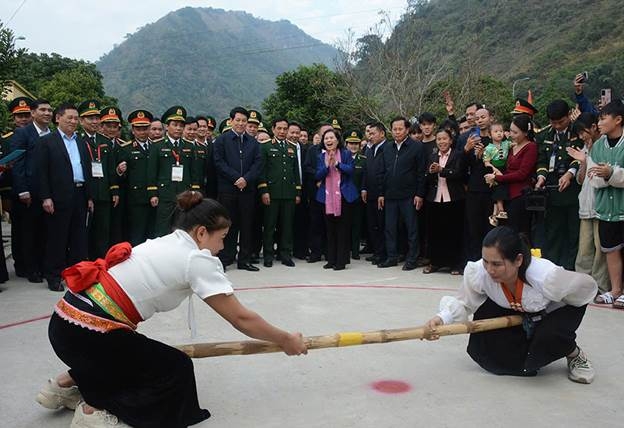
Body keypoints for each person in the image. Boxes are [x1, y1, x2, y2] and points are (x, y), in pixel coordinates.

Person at [36, 191, 306, 428]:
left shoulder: (167, 241)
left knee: (137, 355)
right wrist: (286, 340)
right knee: (173, 369)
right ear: (201, 232)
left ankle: (63, 385)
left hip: (64, 325)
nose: (223, 247)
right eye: (222, 238)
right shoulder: (196, 259)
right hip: (89, 336)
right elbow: (240, 317)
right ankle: (93, 411)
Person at [425, 226, 596, 384]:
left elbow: (584, 290)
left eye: (497, 264)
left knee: (548, 335)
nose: (489, 269)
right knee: (491, 339)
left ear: (518, 260)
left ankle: (573, 353)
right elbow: (465, 301)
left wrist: (547, 318)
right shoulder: (479, 272)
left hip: (555, 308)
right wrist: (441, 319)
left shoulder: (546, 277)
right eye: (486, 261)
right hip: (516, 309)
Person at [38, 103, 94, 292]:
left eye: (76, 118)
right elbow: (41, 172)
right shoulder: (48, 141)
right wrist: (46, 197)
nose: (73, 121)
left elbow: (86, 169)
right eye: (69, 117)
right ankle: (54, 276)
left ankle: (77, 276)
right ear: (58, 118)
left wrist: (89, 196)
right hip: (58, 196)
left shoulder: (80, 141)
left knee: (78, 238)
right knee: (57, 238)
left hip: (80, 193)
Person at [535, 100, 583, 270]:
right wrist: (541, 177)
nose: (557, 126)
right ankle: (553, 268)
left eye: (561, 122)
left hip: (573, 189)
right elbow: (541, 159)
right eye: (553, 122)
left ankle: (571, 268)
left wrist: (570, 174)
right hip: (553, 189)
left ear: (569, 115)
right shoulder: (545, 135)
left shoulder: (578, 130)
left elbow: (581, 156)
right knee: (553, 232)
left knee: (574, 233)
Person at [213, 107, 262, 271]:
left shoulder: (253, 142)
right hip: (228, 190)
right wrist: (236, 178)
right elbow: (219, 163)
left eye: (244, 121)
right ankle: (226, 258)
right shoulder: (222, 140)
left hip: (247, 191)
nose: (241, 123)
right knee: (228, 225)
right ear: (231, 121)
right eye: (238, 120)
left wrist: (245, 179)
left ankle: (244, 260)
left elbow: (257, 165)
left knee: (247, 225)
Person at [565, 113, 609, 294]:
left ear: (593, 126)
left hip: (602, 205)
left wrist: (588, 160)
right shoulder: (585, 147)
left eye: (584, 131)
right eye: (579, 133)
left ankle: (600, 286)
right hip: (586, 204)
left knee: (601, 250)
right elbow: (581, 180)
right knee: (584, 249)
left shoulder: (606, 144)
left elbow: (603, 175)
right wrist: (583, 162)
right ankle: (582, 286)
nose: (582, 136)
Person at [10, 99, 53, 283]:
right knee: (29, 233)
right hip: (30, 192)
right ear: (33, 113)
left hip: (48, 191)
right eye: (42, 110)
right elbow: (17, 164)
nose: (47, 113)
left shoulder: (52, 134)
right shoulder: (23, 133)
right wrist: (22, 190)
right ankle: (31, 269)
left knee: (46, 232)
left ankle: (44, 266)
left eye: (49, 110)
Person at [587, 100, 624, 308]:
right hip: (606, 209)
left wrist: (611, 173)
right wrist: (604, 176)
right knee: (611, 250)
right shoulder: (598, 145)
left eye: (603, 118)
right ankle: (615, 290)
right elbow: (593, 177)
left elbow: (608, 174)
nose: (599, 123)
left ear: (618, 120)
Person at [377, 117, 426, 271]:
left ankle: (412, 258)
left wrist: (420, 194)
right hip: (390, 195)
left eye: (400, 129)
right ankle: (392, 256)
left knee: (411, 229)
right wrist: (381, 193)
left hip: (409, 195)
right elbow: (382, 172)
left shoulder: (417, 147)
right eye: (394, 129)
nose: (397, 132)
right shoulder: (387, 148)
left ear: (407, 130)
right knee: (389, 228)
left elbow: (421, 173)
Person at [258, 118, 301, 267]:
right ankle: (268, 255)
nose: (282, 132)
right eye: (279, 129)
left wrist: (297, 192)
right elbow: (261, 171)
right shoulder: (265, 146)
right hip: (272, 193)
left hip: (289, 193)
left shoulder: (292, 147)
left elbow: (296, 171)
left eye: (285, 129)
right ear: (273, 129)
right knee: (270, 226)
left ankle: (285, 254)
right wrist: (264, 191)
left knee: (287, 226)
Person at [485, 114, 537, 238]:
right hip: (507, 194)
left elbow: (522, 174)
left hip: (520, 195)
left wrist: (497, 178)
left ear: (525, 133)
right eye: (510, 131)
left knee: (519, 232)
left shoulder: (531, 147)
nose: (511, 135)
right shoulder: (511, 146)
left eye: (515, 132)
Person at [423, 128, 466, 275]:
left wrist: (442, 170)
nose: (442, 142)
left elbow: (460, 174)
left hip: (453, 198)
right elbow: (427, 178)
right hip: (435, 198)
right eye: (439, 139)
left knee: (453, 231)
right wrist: (430, 172)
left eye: (444, 139)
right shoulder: (432, 156)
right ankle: (435, 262)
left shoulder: (458, 155)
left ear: (451, 141)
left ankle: (455, 264)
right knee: (435, 231)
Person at [315, 129, 358, 270]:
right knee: (330, 230)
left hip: (344, 197)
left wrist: (338, 164)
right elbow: (317, 175)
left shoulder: (345, 154)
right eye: (326, 138)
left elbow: (351, 170)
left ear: (337, 140)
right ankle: (331, 259)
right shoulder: (321, 156)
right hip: (327, 198)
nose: (328, 140)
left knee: (342, 230)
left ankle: (341, 261)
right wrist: (327, 166)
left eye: (331, 138)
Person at [116, 109, 157, 247]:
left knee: (152, 234)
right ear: (133, 130)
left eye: (145, 128)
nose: (142, 132)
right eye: (138, 129)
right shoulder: (125, 148)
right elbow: (120, 175)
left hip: (155, 196)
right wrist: (120, 171)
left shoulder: (156, 147)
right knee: (136, 234)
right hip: (135, 199)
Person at [361, 122, 387, 265]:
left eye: (373, 133)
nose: (370, 136)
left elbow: (385, 173)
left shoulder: (388, 148)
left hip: (381, 194)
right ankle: (376, 252)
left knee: (381, 224)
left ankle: (383, 254)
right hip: (369, 193)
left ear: (382, 133)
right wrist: (364, 188)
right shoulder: (369, 149)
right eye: (369, 134)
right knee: (372, 225)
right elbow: (365, 170)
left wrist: (382, 193)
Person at [483, 122, 512, 226]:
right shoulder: (488, 148)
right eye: (496, 132)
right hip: (494, 169)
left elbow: (515, 144)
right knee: (499, 187)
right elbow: (486, 162)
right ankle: (501, 210)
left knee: (503, 187)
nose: (499, 133)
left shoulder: (506, 143)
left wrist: (511, 137)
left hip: (505, 168)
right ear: (490, 135)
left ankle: (494, 215)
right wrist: (495, 170)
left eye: (501, 131)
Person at [345, 130, 366, 259]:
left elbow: (365, 178)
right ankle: (345, 249)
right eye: (351, 143)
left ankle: (355, 250)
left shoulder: (363, 160)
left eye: (356, 144)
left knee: (357, 224)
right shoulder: (342, 158)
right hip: (344, 197)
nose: (353, 146)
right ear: (346, 144)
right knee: (345, 224)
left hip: (357, 198)